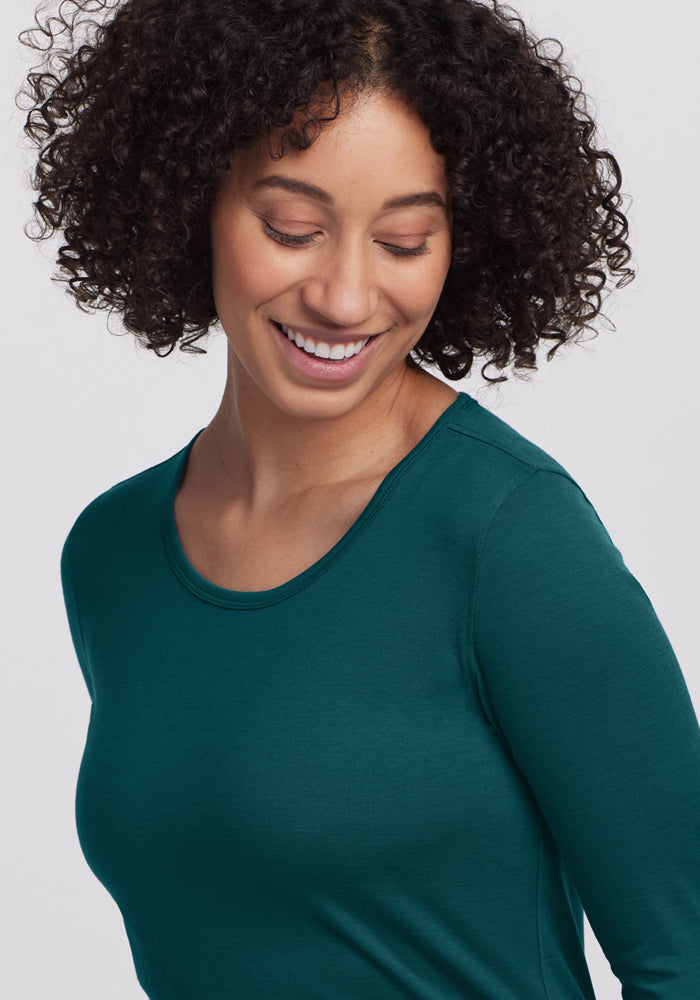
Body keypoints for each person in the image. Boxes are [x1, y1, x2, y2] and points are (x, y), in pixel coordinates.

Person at [19, 0, 700, 997]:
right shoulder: (113, 554)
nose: (344, 296)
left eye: (404, 239)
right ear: (189, 197)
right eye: (292, 226)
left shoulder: (506, 535)